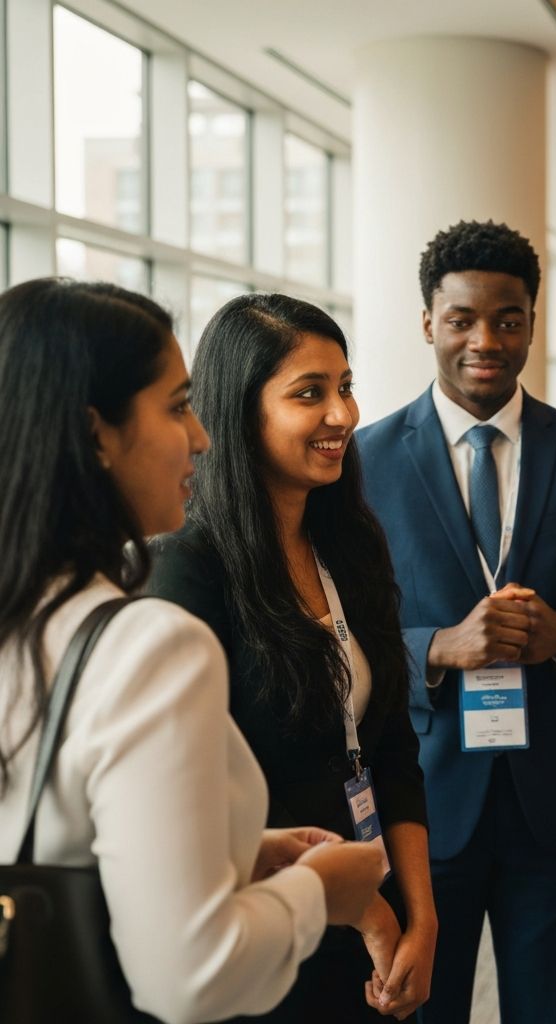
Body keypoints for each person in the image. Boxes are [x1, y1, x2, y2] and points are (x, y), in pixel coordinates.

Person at [0, 279, 385, 1023]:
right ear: (95, 435)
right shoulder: (149, 644)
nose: (200, 437)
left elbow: (61, 832)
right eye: (177, 407)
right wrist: (318, 891)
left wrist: (237, 847)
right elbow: (191, 976)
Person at [357, 220, 556, 1024]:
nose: (485, 340)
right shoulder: (367, 461)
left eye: (509, 318)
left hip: (554, 803)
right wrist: (437, 648)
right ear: (428, 323)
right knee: (422, 1009)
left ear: (532, 320)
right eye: (461, 319)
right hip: (421, 802)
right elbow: (340, 632)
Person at [147, 294, 433, 1022]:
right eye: (310, 393)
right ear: (240, 413)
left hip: (375, 906)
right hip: (266, 926)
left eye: (344, 386)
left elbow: (392, 746)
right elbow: (190, 793)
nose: (343, 413)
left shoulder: (350, 545)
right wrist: (366, 911)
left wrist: (420, 916)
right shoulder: (189, 568)